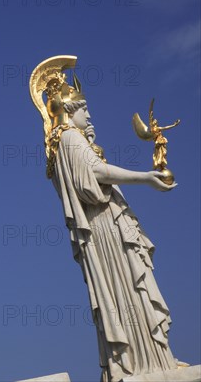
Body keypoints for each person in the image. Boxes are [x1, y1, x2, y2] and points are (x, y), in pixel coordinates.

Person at [30, 56, 180, 382]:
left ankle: (153, 358)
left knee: (133, 292)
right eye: (85, 109)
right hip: (103, 229)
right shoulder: (69, 138)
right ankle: (141, 362)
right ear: (69, 111)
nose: (90, 115)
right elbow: (95, 175)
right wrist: (147, 177)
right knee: (127, 291)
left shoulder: (73, 141)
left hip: (106, 226)